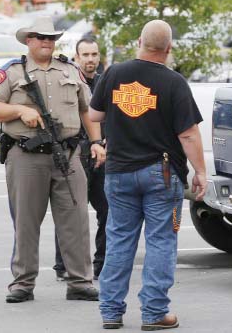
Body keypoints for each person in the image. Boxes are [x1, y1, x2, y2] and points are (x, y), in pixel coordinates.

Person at [89, 20, 207, 330]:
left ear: (139, 41)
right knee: (161, 241)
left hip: (118, 173)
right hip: (161, 175)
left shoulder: (114, 73)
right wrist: (201, 172)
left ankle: (111, 311)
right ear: (169, 49)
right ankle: (155, 313)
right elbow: (189, 134)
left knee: (118, 240)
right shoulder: (174, 82)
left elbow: (95, 114)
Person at [0, 16, 106, 303]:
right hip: (26, 156)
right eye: (40, 37)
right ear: (28, 40)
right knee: (26, 221)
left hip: (69, 154)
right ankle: (22, 283)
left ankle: (79, 282)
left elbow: (87, 110)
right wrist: (18, 112)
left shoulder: (69, 69)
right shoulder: (12, 72)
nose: (47, 42)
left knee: (76, 220)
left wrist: (97, 142)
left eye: (51, 37)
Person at [53, 37, 108, 281]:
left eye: (94, 54)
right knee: (70, 211)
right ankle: (63, 264)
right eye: (85, 55)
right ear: (77, 58)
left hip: (101, 156)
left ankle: (101, 264)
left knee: (107, 210)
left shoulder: (104, 83)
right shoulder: (67, 81)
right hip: (75, 154)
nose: (90, 59)